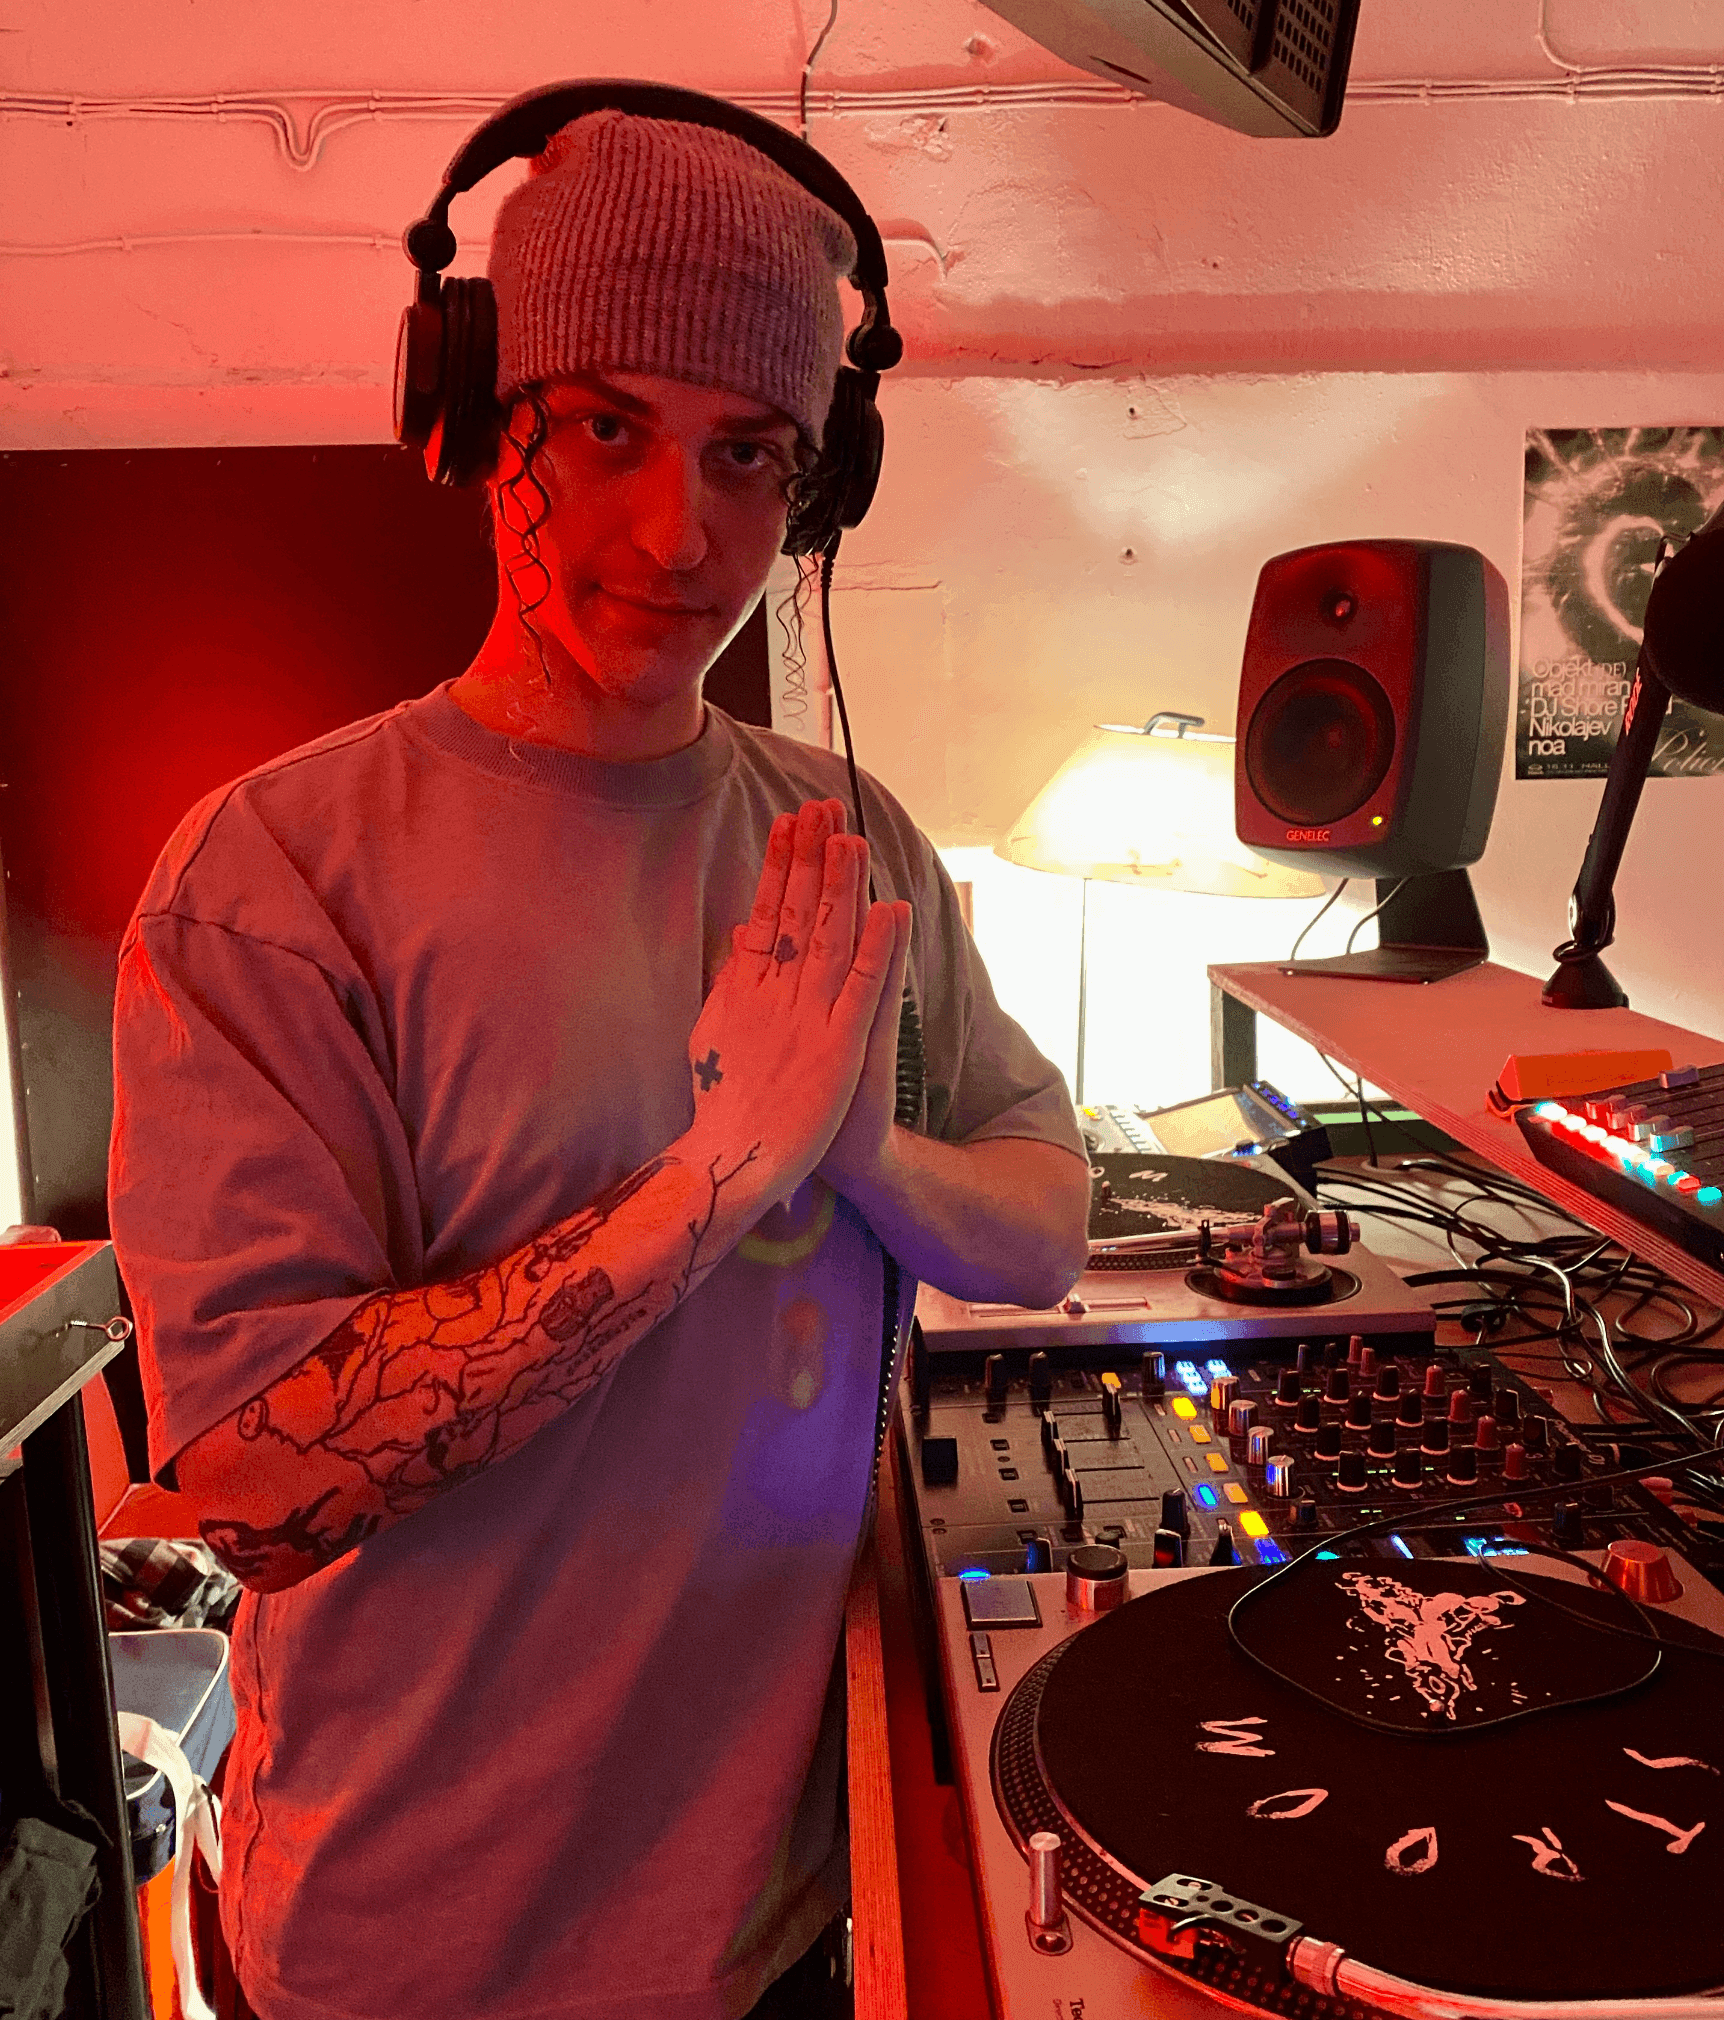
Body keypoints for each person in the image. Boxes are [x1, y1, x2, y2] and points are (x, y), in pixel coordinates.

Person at [108, 102, 1091, 2020]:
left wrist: (858, 1150)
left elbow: (1045, 1220)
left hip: (791, 1918)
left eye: (750, 454)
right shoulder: (272, 880)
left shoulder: (851, 839)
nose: (681, 532)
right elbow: (256, 1487)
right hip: (421, 1954)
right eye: (609, 430)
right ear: (480, 419)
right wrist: (710, 1183)